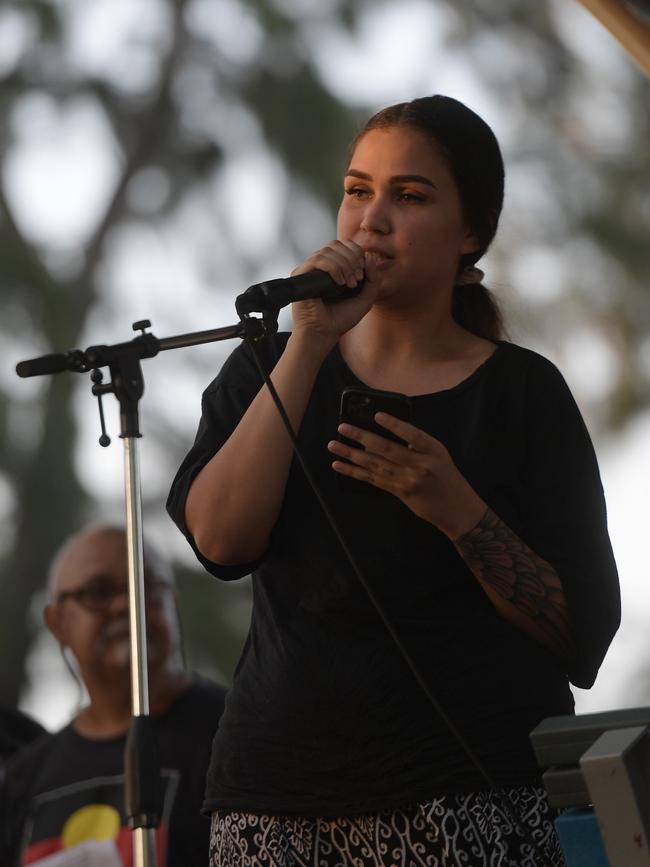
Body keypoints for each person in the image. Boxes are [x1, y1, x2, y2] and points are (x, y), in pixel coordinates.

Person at [166, 95, 621, 867]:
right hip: (272, 803)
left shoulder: (523, 393)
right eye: (357, 190)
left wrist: (461, 512)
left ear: (470, 232)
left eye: (408, 197)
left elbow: (582, 634)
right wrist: (306, 343)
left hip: (472, 801)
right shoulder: (269, 366)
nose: (371, 219)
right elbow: (219, 538)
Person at [1, 524, 228, 867]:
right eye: (99, 592)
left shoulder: (236, 732)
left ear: (172, 602)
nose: (126, 605)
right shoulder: (22, 779)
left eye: (146, 587)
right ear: (57, 623)